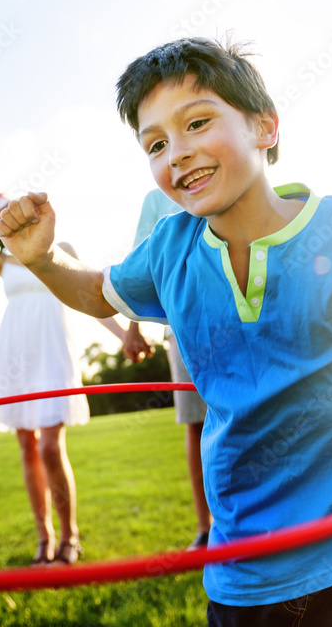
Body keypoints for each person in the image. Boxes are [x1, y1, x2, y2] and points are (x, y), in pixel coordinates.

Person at [0, 37, 332, 625]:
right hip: (246, 574)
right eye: (157, 144)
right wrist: (42, 261)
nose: (178, 153)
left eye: (197, 123)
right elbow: (95, 292)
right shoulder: (169, 251)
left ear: (265, 127)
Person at [0, 195, 127, 566]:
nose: (3, 218)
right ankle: (44, 538)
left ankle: (70, 536)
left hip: (51, 349)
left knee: (49, 447)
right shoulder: (0, 262)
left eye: (5, 210)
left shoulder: (58, 248)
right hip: (13, 353)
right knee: (27, 448)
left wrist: (124, 336)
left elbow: (88, 293)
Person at [122, 188, 212, 550]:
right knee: (195, 424)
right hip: (183, 326)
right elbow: (141, 261)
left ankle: (261, 520)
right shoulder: (157, 199)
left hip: (244, 318)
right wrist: (133, 324)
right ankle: (206, 528)